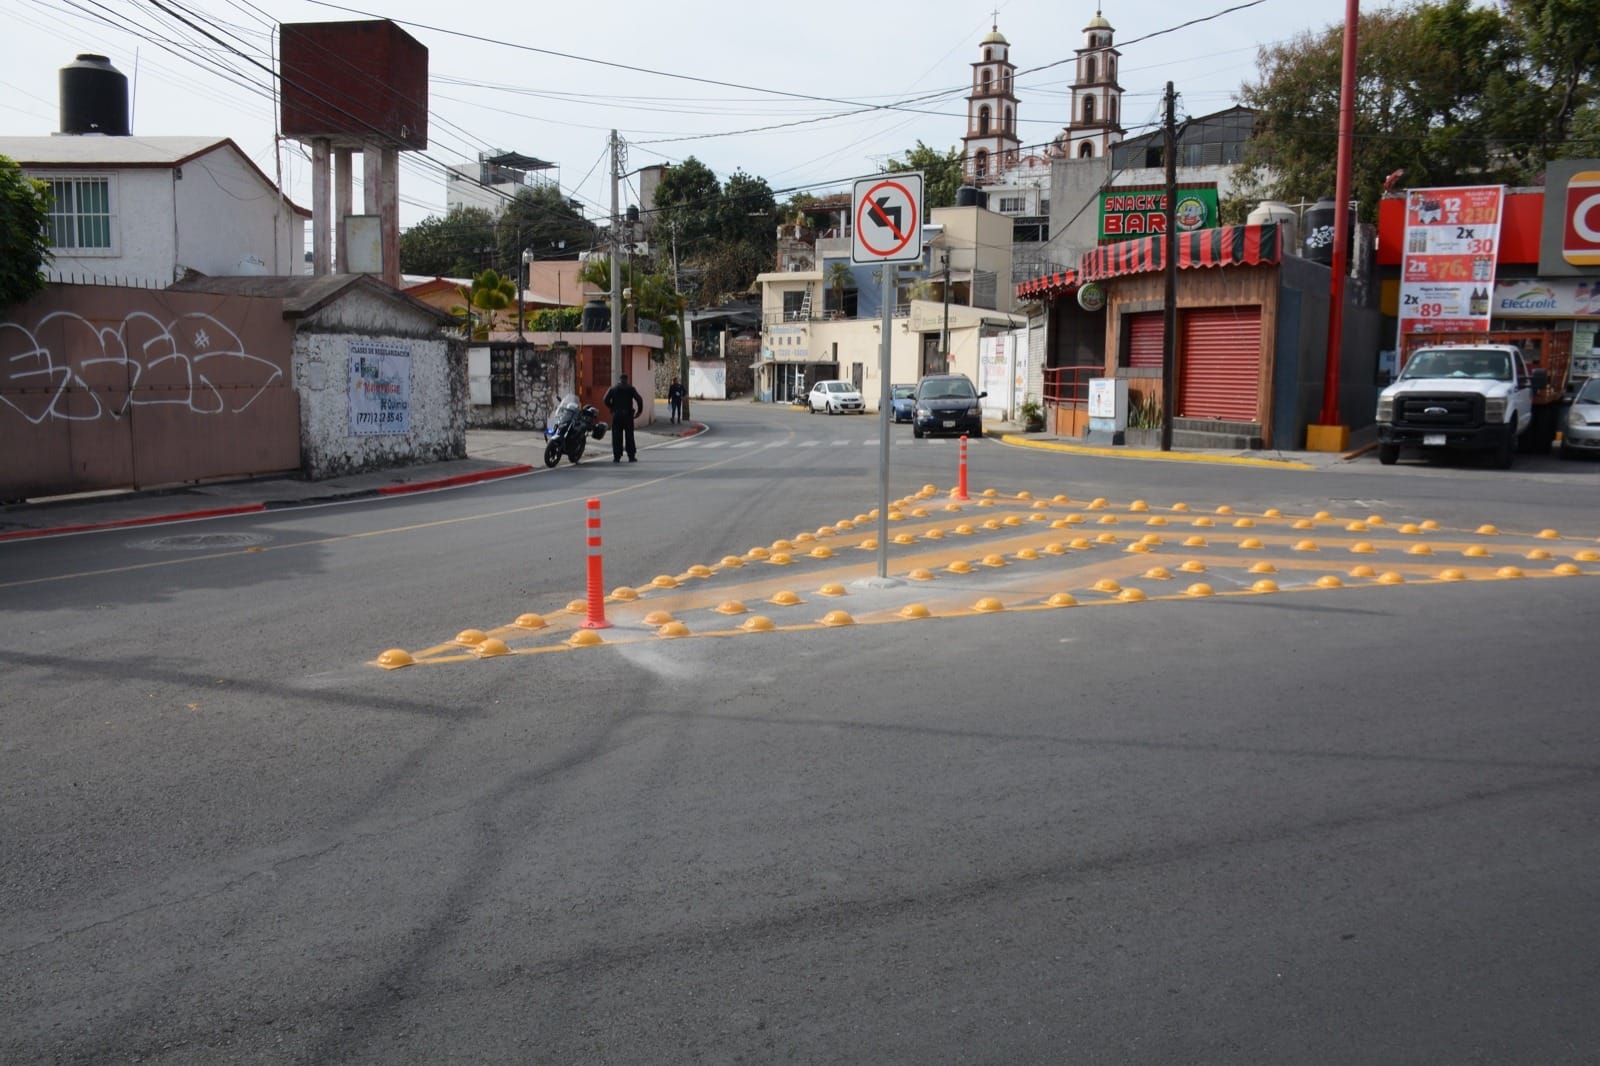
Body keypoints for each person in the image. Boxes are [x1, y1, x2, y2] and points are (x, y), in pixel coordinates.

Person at [603, 373, 645, 462]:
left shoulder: (613, 388)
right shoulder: (631, 389)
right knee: (629, 435)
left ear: (619, 380)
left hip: (616, 415)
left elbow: (605, 400)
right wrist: (639, 412)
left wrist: (612, 407)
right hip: (628, 415)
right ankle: (631, 456)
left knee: (616, 436)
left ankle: (617, 456)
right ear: (627, 380)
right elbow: (639, 400)